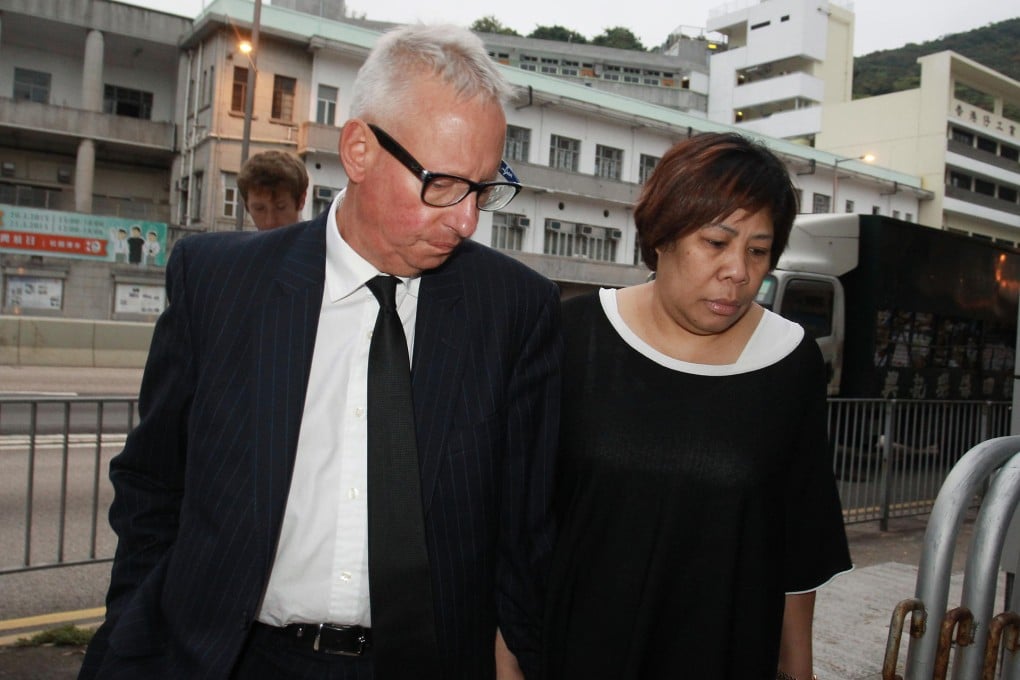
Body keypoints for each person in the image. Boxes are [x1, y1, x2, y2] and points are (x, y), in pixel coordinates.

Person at [79, 24, 561, 680]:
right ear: (358, 150)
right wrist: (135, 628)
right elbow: (154, 481)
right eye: (443, 184)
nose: (467, 219)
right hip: (231, 659)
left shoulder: (514, 310)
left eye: (482, 188)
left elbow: (522, 524)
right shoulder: (218, 283)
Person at [543, 132, 852, 680]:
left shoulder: (789, 360)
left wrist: (797, 669)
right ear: (661, 234)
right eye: (716, 242)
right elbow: (521, 524)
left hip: (723, 654)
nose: (739, 271)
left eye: (758, 251)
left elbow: (799, 536)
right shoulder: (574, 335)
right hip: (574, 652)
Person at [237, 149, 309, 230]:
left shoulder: (322, 241)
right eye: (259, 209)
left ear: (301, 201)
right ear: (247, 206)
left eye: (280, 207)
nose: (270, 222)